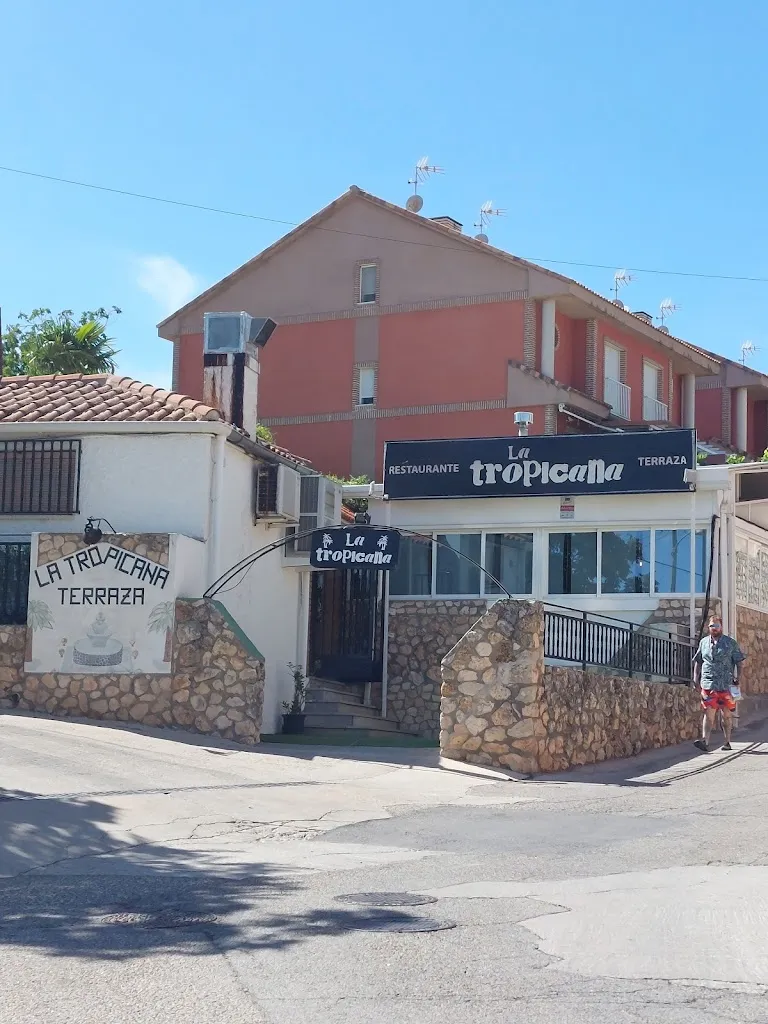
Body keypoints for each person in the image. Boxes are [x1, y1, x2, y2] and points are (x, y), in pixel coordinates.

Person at [692, 616, 745, 752]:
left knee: (726, 715)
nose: (714, 628)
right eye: (712, 626)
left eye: (716, 626)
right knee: (708, 712)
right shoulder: (703, 642)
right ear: (708, 627)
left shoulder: (730, 643)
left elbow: (739, 662)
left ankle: (727, 741)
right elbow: (698, 661)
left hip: (726, 685)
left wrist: (738, 678)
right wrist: (695, 679)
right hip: (708, 684)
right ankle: (705, 741)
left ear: (721, 627)